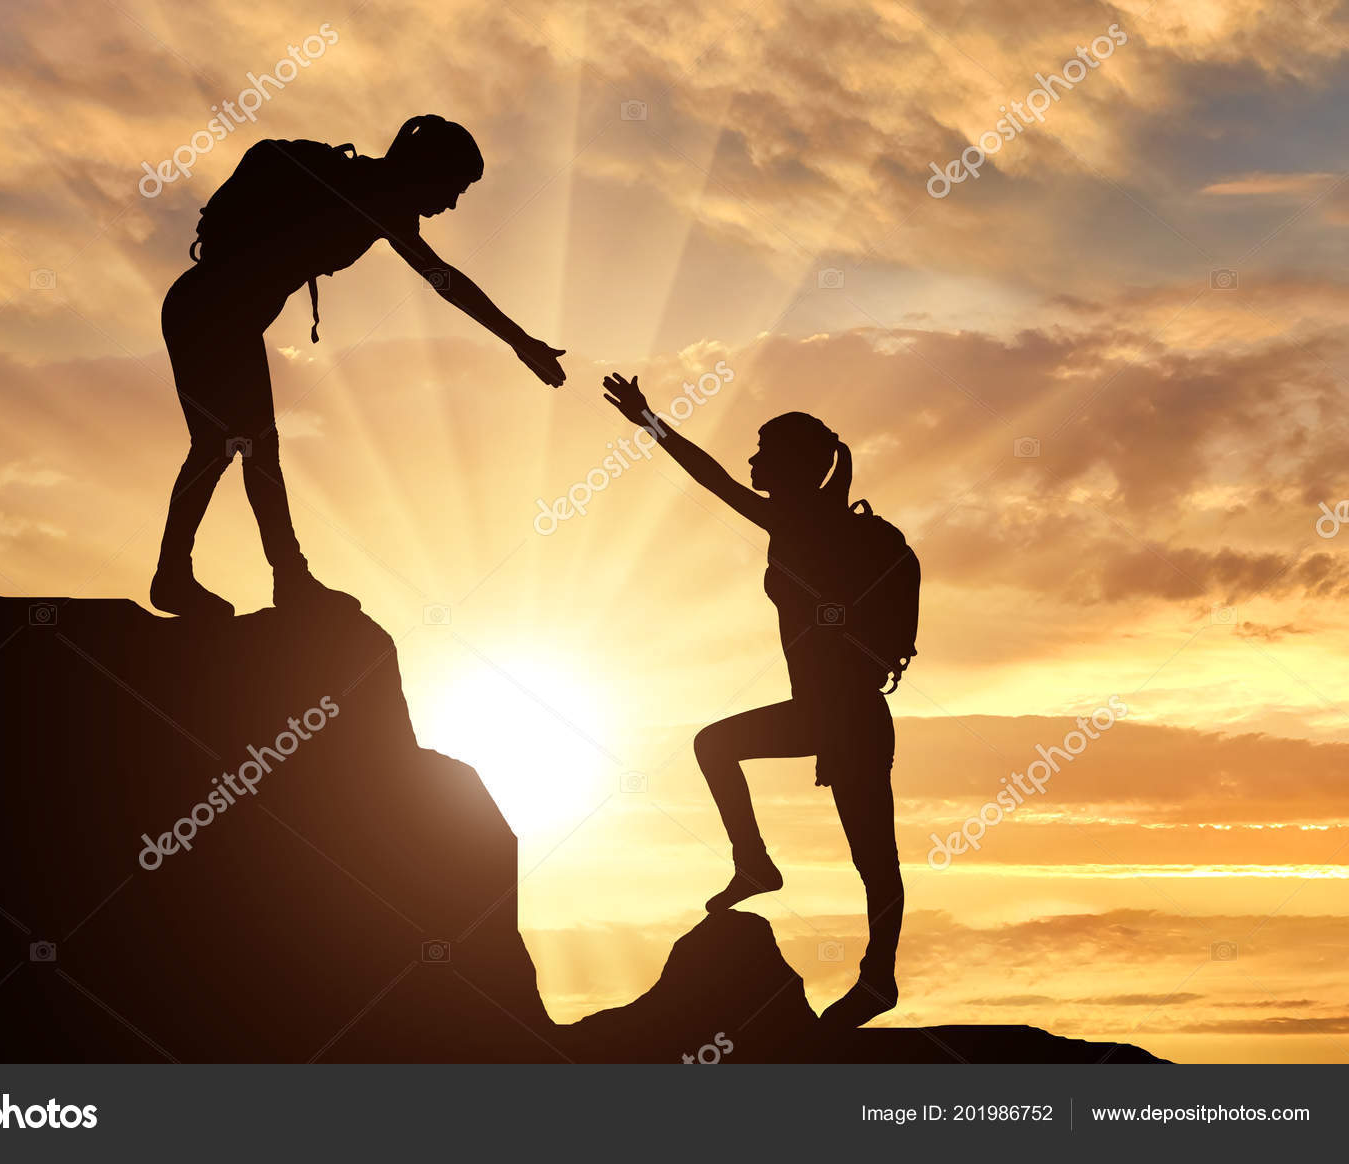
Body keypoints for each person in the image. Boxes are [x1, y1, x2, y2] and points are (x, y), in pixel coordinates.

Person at [152, 115, 567, 617]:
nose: (452, 203)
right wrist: (519, 341)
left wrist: (520, 341)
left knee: (235, 446)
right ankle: (270, 579)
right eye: (453, 187)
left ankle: (220, 577)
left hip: (216, 316)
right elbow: (445, 280)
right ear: (425, 169)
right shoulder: (372, 195)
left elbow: (442, 278)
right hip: (209, 313)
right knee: (240, 446)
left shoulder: (375, 196)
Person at [601, 373, 915, 1029]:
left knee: (873, 858)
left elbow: (711, 478)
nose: (753, 461)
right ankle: (758, 868)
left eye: (764, 451)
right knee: (866, 855)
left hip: (847, 717)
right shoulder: (812, 520)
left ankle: (873, 975)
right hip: (834, 713)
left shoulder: (801, 521)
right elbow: (725, 477)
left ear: (795, 465)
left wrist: (649, 421)